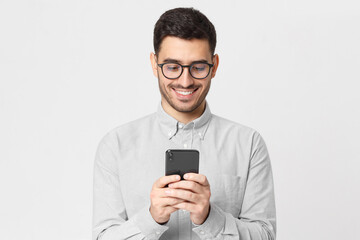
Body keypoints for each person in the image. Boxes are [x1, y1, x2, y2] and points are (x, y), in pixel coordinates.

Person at [93, 7, 276, 240]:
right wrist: (152, 219)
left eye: (198, 67)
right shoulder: (116, 146)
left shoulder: (248, 144)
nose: (185, 81)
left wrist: (210, 218)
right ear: (154, 64)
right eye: (172, 67)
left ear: (214, 66)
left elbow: (266, 235)